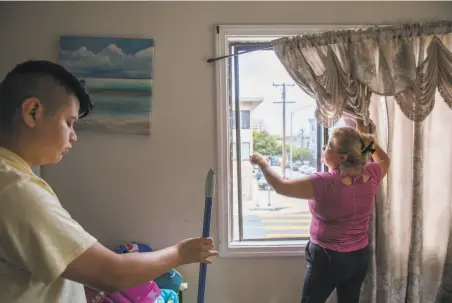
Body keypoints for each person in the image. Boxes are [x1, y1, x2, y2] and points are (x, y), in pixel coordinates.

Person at [0, 60, 218, 303]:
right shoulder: (15, 190)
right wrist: (180, 253)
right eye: (69, 122)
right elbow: (112, 272)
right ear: (33, 112)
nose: (74, 137)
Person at [250, 124, 390, 303]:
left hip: (329, 259)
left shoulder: (324, 183)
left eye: (329, 146)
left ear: (342, 158)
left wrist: (262, 162)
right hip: (359, 257)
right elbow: (385, 160)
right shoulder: (371, 173)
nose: (324, 148)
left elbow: (280, 186)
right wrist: (366, 139)